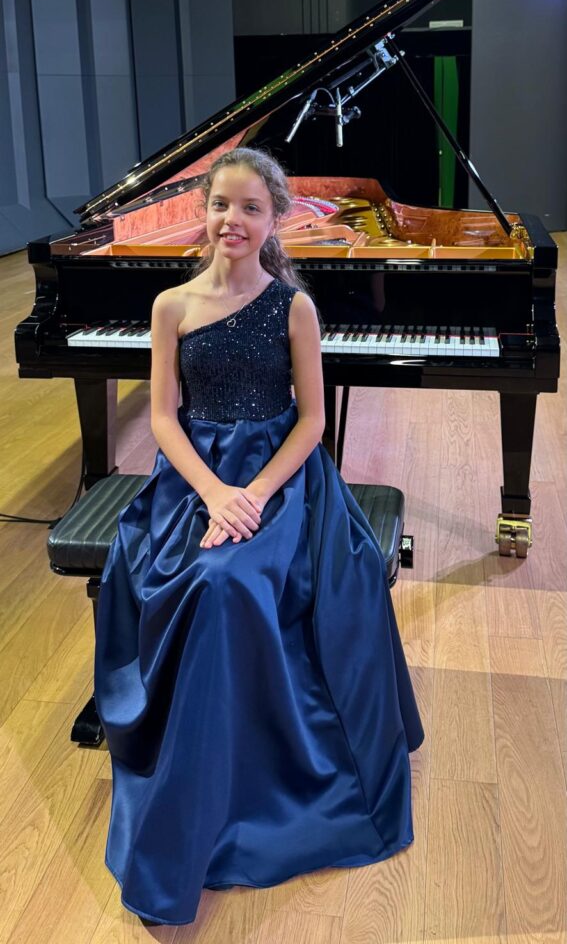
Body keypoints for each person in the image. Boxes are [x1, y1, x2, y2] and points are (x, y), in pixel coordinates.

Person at [94, 146, 424, 927]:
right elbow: (163, 418)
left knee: (226, 583)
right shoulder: (171, 305)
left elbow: (311, 421)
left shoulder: (292, 307)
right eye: (220, 205)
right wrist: (214, 494)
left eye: (250, 208)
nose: (232, 220)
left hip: (282, 478)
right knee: (194, 579)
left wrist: (251, 496)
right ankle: (193, 787)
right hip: (196, 477)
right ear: (202, 212)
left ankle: (239, 790)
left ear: (277, 218)